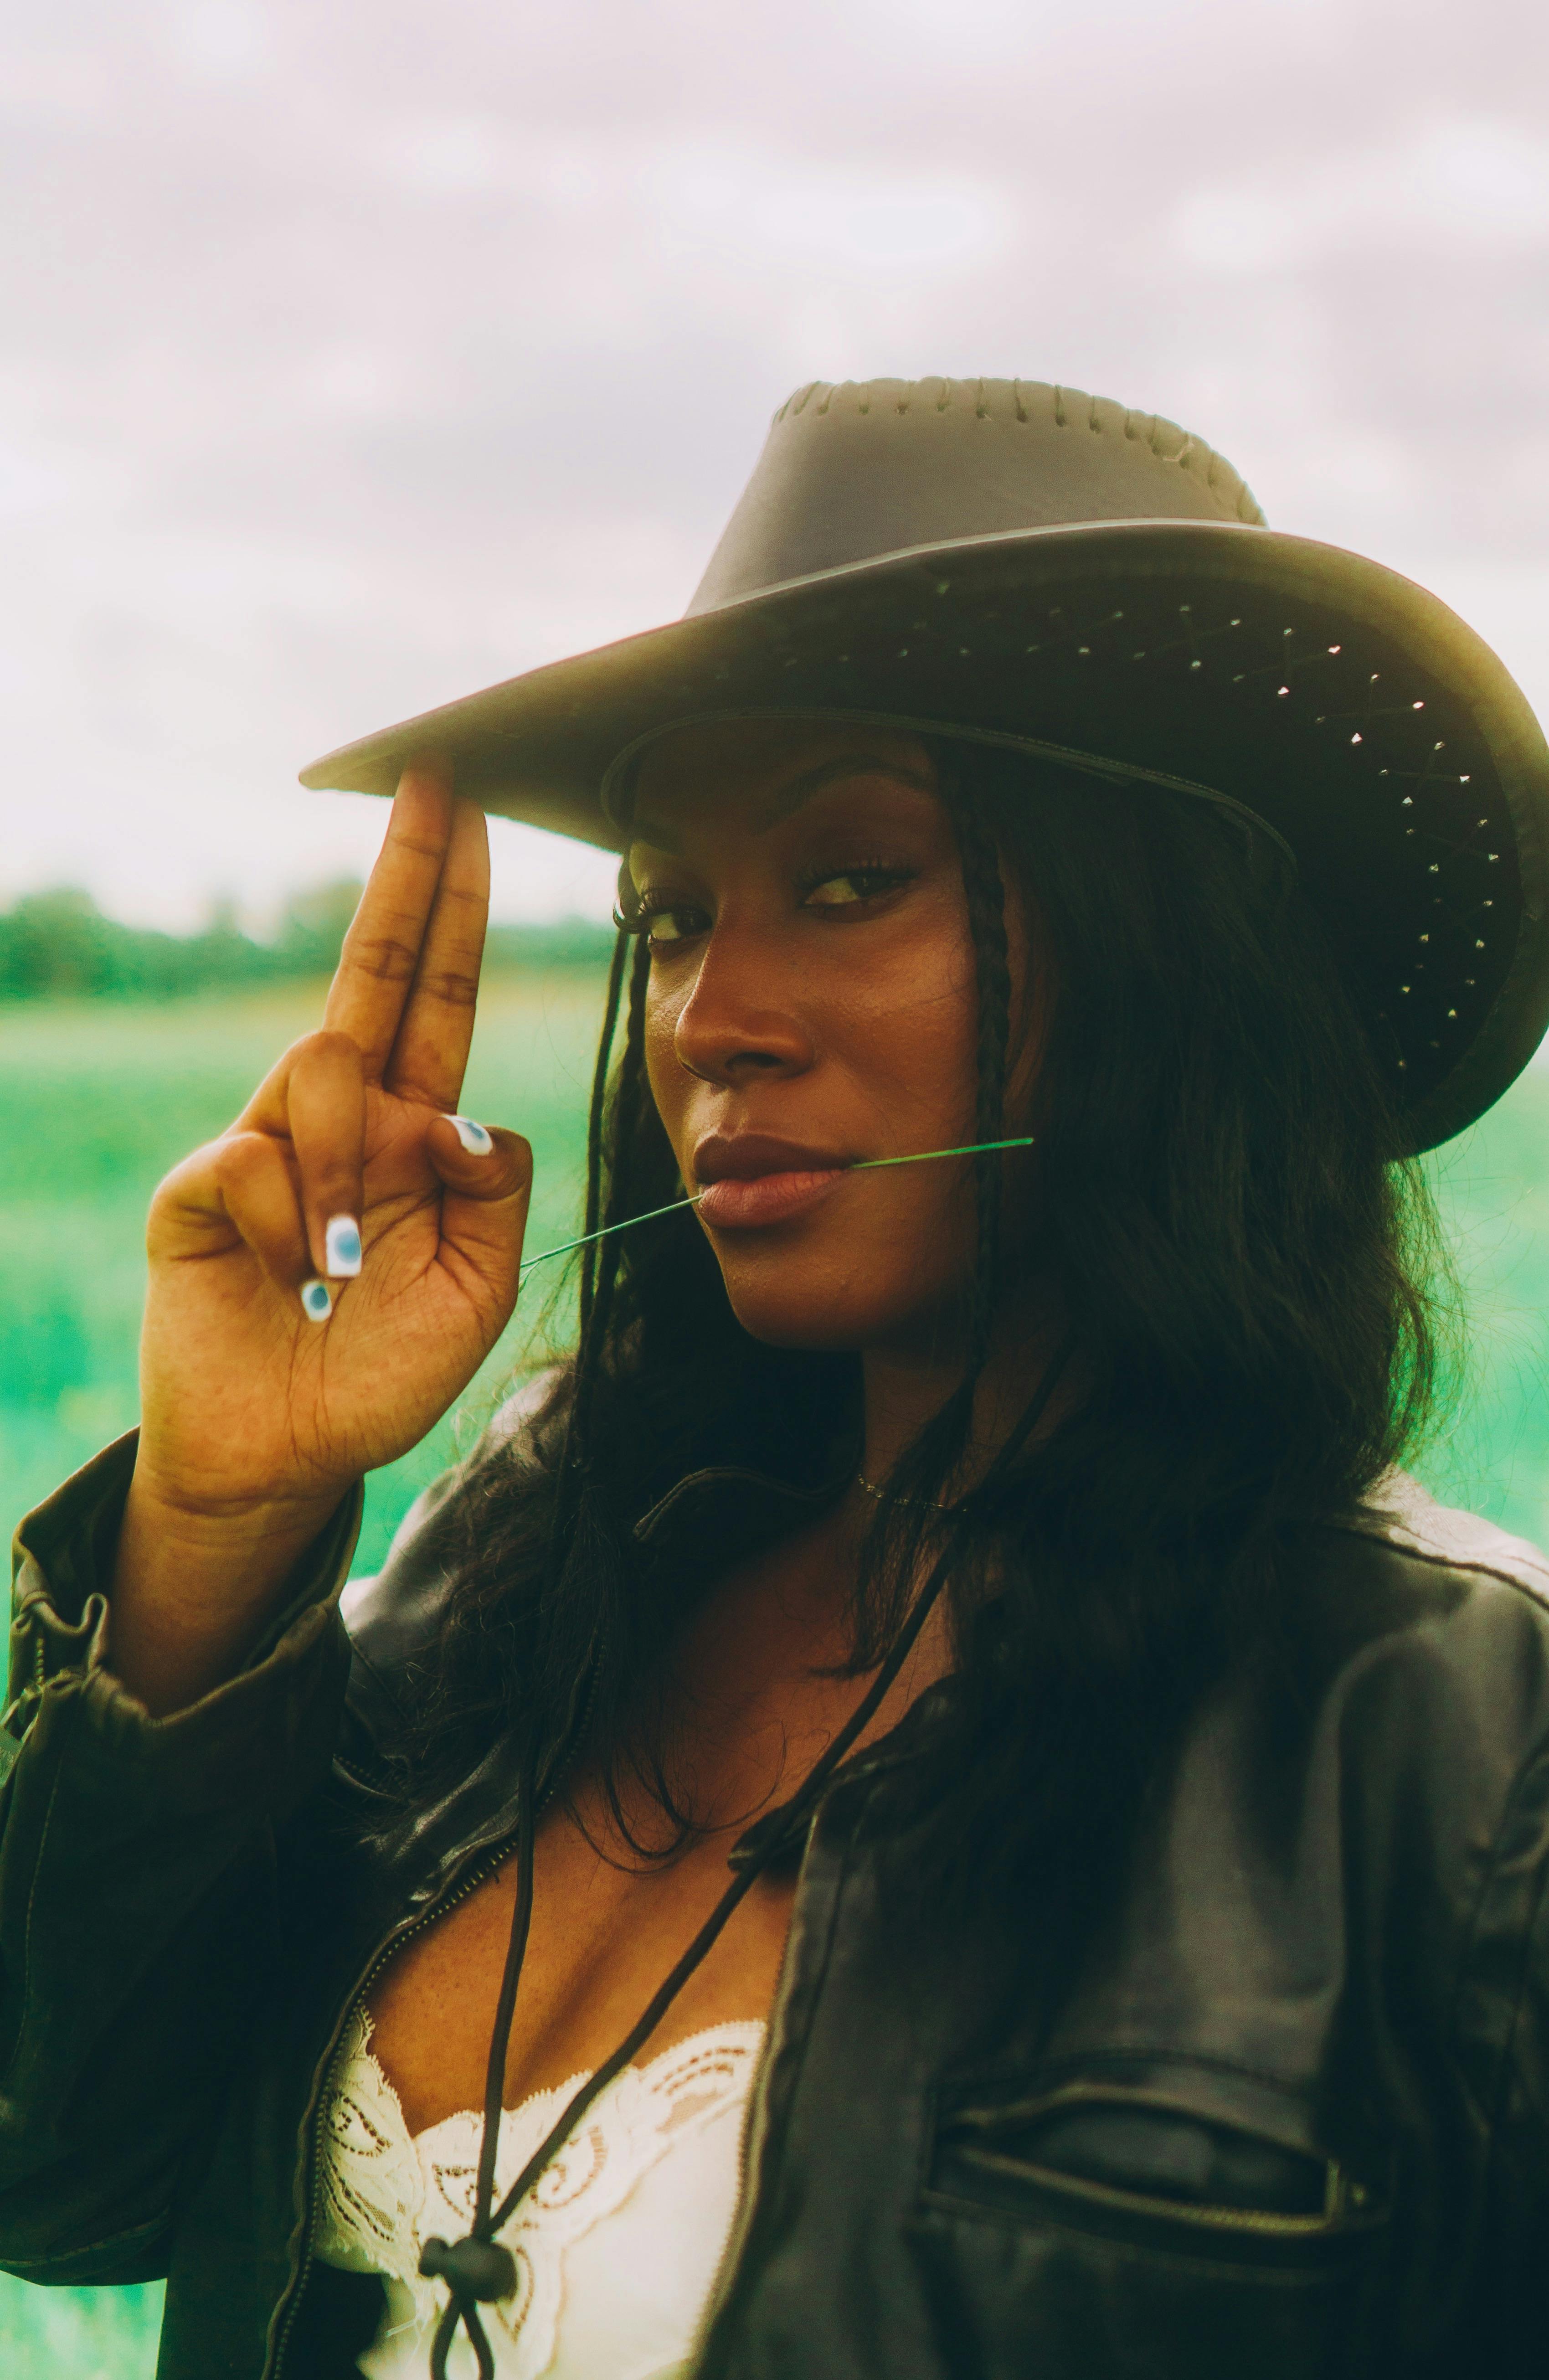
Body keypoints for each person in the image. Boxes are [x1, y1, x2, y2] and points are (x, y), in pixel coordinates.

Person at [4, 377, 1549, 2380]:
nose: (713, 1013)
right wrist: (221, 1517)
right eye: (670, 913)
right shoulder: (537, 1574)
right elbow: (65, 2173)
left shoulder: (1451, 1753)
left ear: (1164, 950)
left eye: (848, 876)